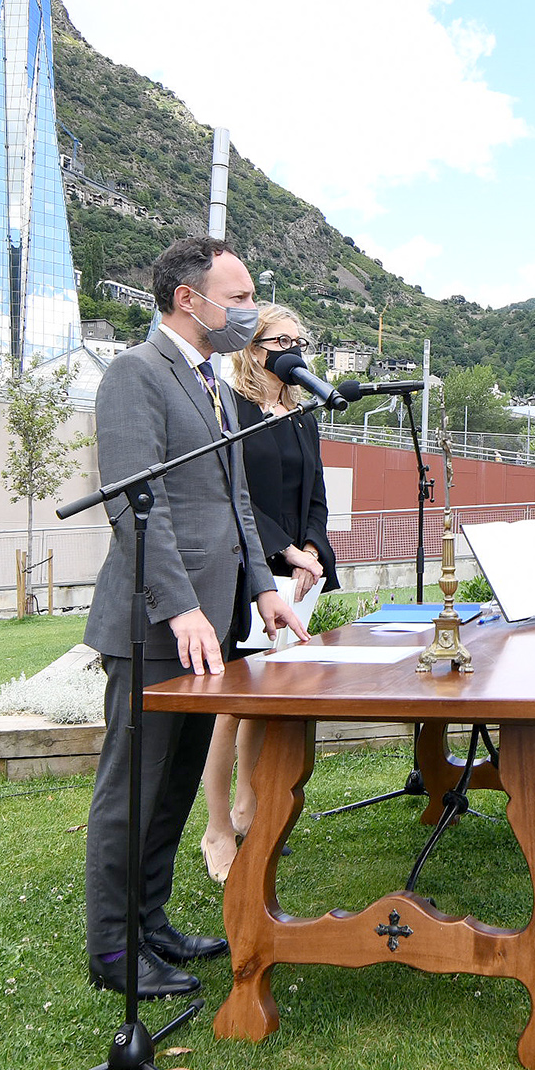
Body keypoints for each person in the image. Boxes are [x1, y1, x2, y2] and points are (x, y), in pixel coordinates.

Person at [82, 236, 309, 1000]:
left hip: (209, 623)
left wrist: (263, 586)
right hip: (153, 624)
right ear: (190, 298)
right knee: (132, 789)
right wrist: (180, 604)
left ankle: (151, 923)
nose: (248, 308)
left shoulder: (211, 382)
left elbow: (234, 503)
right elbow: (131, 502)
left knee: (176, 785)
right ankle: (114, 950)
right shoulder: (134, 374)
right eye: (238, 295)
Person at [199, 307, 340, 882]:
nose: (294, 350)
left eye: (300, 342)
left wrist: (310, 547)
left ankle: (248, 808)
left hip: (298, 576)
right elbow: (234, 496)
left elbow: (317, 493)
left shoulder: (303, 414)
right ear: (254, 348)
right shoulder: (233, 407)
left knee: (268, 696)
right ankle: (215, 828)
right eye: (282, 340)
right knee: (232, 705)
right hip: (247, 571)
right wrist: (285, 551)